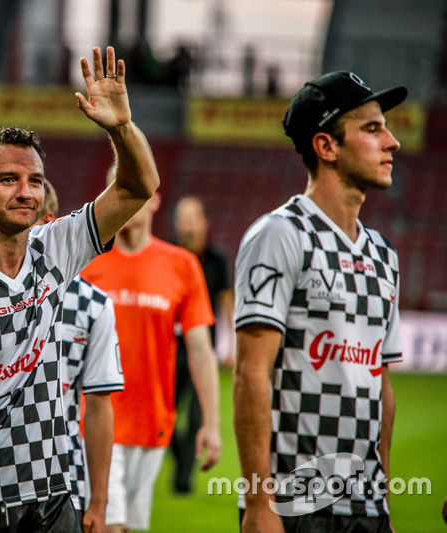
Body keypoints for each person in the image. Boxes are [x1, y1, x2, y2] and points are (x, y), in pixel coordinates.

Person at [0, 46, 160, 533]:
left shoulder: (55, 247)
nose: (27, 192)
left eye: (36, 181)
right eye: (9, 180)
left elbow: (137, 188)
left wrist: (121, 129)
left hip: (51, 497)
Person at [233, 71, 407, 532]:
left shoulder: (384, 255)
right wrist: (258, 504)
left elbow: (381, 386)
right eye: (372, 129)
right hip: (296, 507)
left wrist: (383, 495)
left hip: (367, 508)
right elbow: (250, 372)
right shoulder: (280, 235)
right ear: (326, 146)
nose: (393, 142)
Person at [82, 170, 222, 533]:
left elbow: (201, 350)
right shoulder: (86, 262)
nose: (127, 198)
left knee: (125, 526)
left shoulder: (182, 266)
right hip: (94, 421)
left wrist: (211, 422)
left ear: (155, 198)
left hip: (154, 423)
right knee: (106, 525)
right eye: (119, 189)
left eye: (135, 189)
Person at [37, 179, 123, 532]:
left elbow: (100, 405)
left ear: (49, 222)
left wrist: (99, 502)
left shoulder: (93, 304)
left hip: (64, 477)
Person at [170, 195, 233, 495]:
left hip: (202, 349)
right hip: (170, 349)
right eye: (181, 217)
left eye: (191, 217)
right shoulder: (169, 257)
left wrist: (231, 345)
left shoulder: (217, 260)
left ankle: (182, 479)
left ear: (205, 222)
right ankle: (180, 456)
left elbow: (226, 302)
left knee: (196, 415)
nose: (185, 224)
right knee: (166, 415)